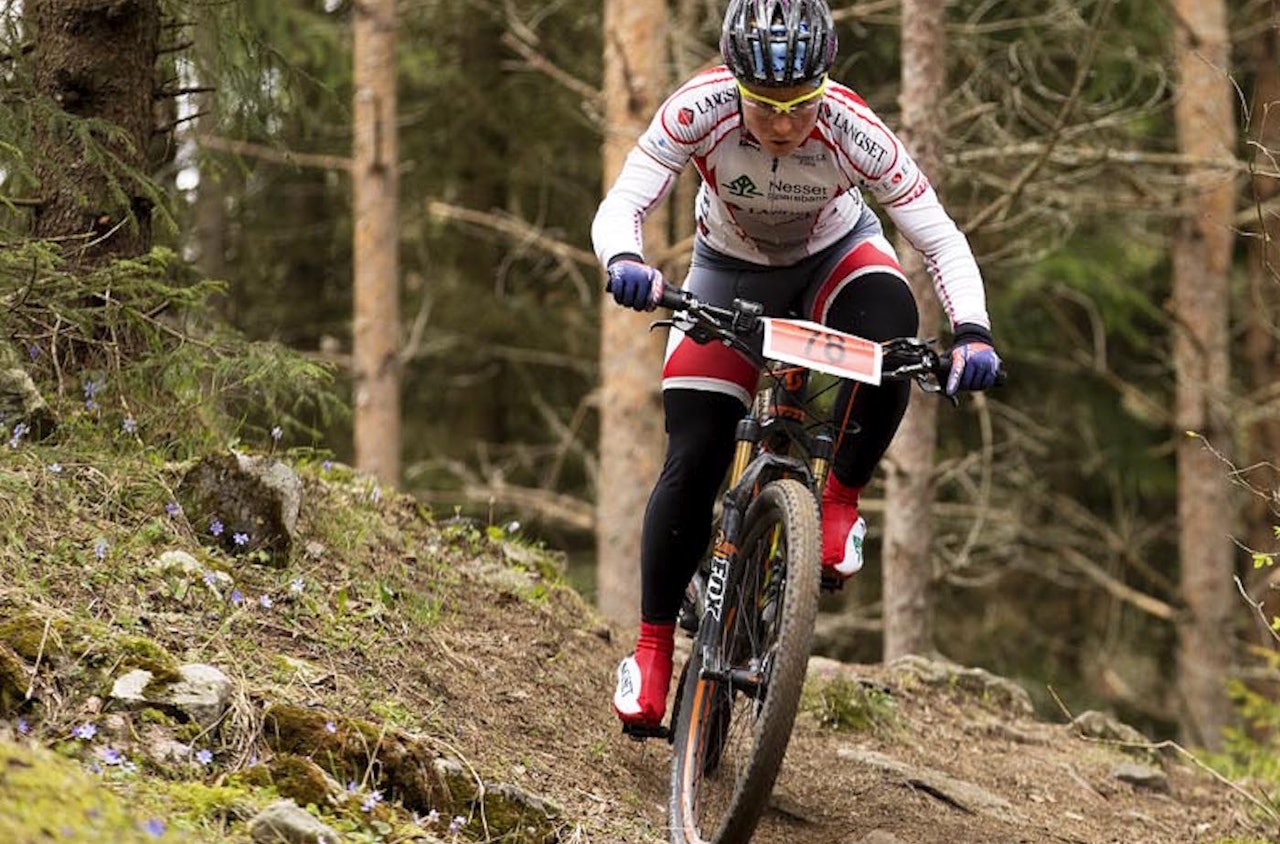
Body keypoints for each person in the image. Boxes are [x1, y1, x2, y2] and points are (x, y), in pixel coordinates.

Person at [591, 0, 1001, 729]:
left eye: (800, 103)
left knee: (892, 332)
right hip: (730, 271)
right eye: (766, 104)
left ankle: (838, 500)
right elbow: (627, 197)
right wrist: (624, 258)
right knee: (694, 451)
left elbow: (940, 239)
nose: (783, 124)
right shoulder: (699, 109)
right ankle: (652, 651)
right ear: (735, 83)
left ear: (824, 84)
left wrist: (973, 331)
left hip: (834, 261)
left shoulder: (853, 128)